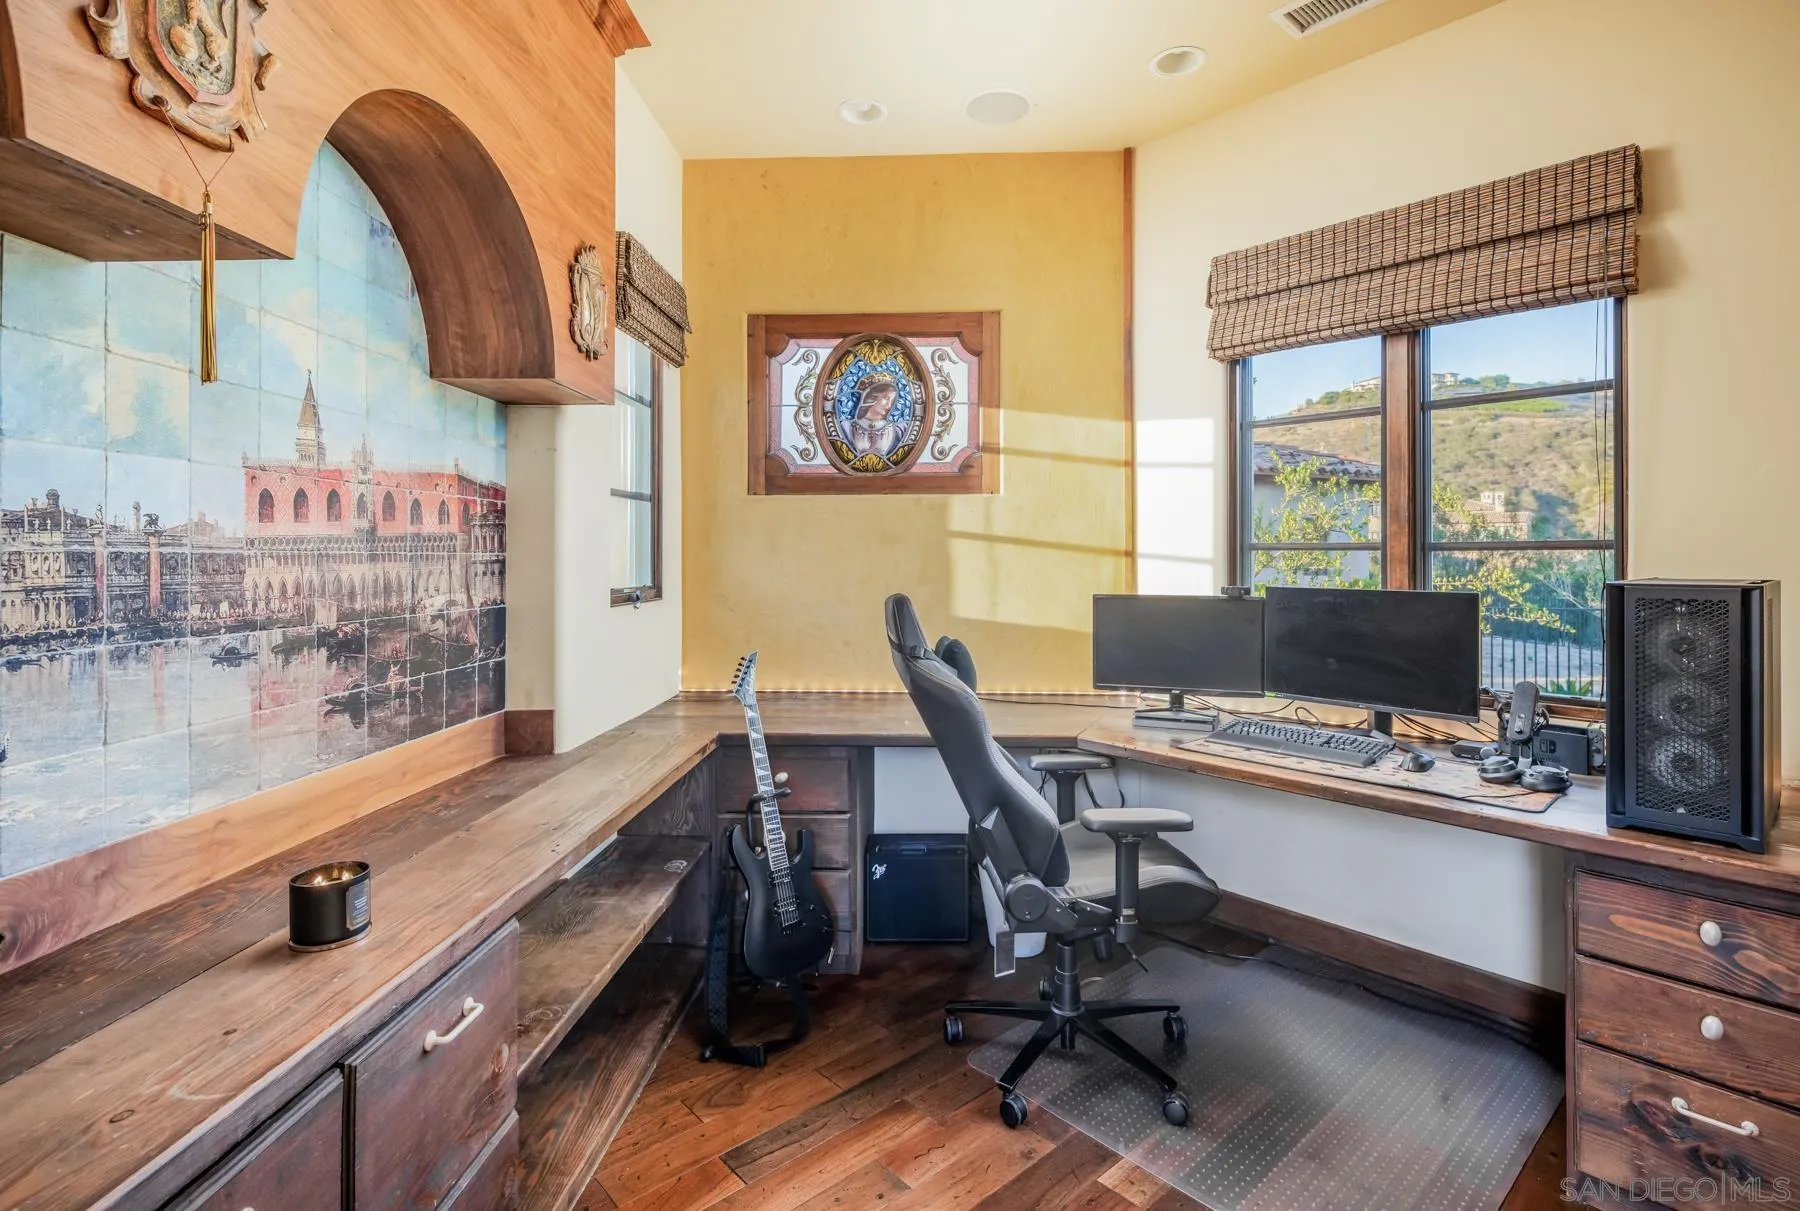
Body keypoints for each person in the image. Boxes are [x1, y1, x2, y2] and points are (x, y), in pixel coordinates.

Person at [846, 373, 905, 462]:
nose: (889, 406)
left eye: (892, 401)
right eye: (886, 398)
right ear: (870, 397)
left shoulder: (898, 431)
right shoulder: (846, 428)